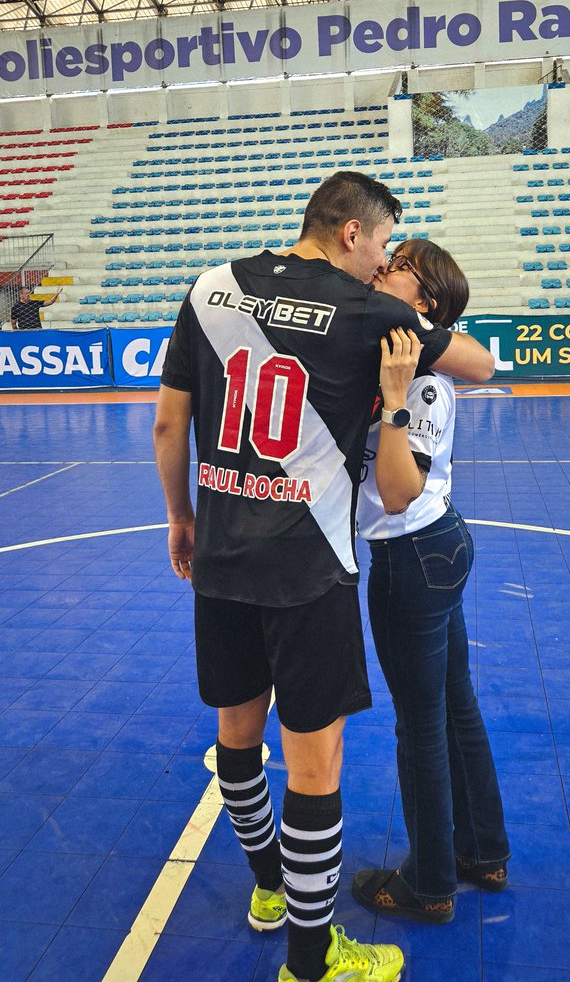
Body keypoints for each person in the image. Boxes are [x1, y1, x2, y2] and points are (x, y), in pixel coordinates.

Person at [153, 171, 494, 982]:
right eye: (381, 245)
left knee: (238, 739)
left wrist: (183, 518)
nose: (381, 263)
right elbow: (477, 362)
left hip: (223, 559)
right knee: (316, 769)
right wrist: (412, 328)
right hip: (311, 570)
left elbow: (169, 421)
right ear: (352, 234)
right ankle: (313, 961)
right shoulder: (369, 311)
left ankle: (268, 890)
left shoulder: (209, 287)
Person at [351, 238, 509, 925]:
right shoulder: (407, 356)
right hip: (439, 547)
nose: (385, 266)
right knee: (456, 707)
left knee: (421, 726)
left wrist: (388, 406)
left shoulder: (418, 377)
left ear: (426, 303)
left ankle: (430, 883)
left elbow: (395, 490)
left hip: (411, 555)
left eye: (401, 264)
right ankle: (484, 851)